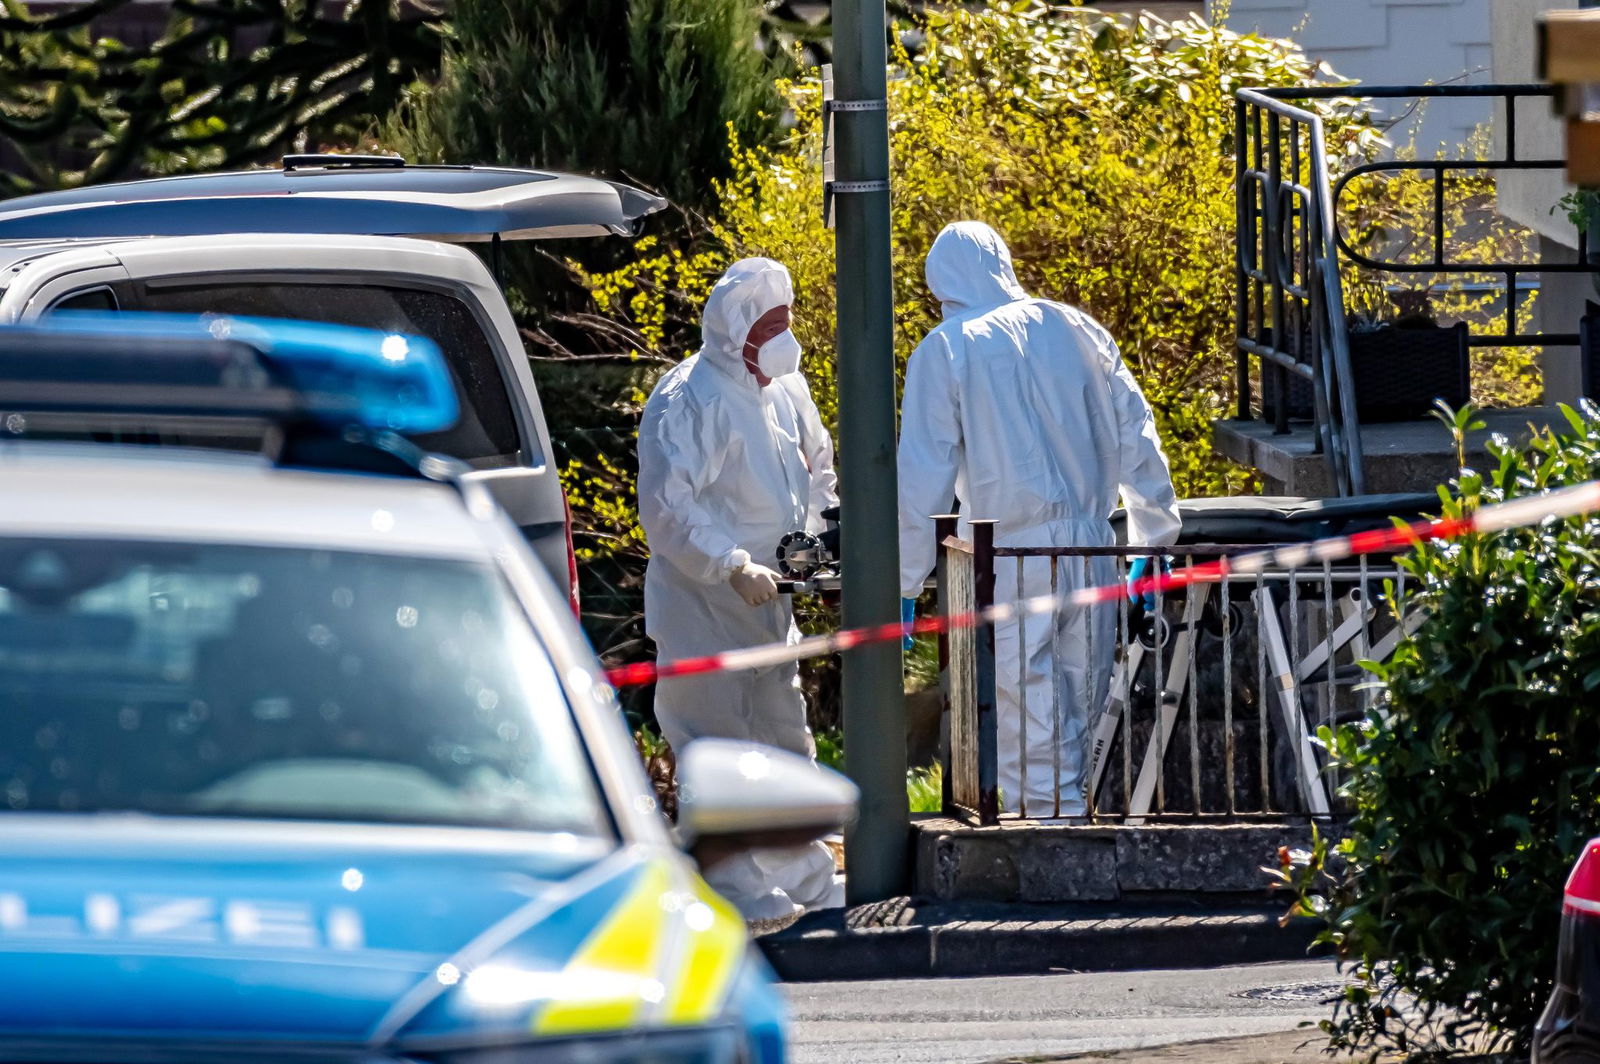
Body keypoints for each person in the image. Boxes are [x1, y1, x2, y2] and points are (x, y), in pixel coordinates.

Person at [897, 222, 1181, 816]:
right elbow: (1139, 441)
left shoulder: (948, 347)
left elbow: (921, 479)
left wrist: (902, 580)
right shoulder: (1076, 327)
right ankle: (1075, 833)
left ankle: (1046, 848)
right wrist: (1153, 545)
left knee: (1031, 709)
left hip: (1013, 555)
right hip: (1093, 546)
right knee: (1084, 698)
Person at [637, 257, 841, 920]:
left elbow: (817, 469)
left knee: (782, 738)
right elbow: (669, 504)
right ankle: (730, 887)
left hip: (769, 598)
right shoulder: (688, 397)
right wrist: (729, 564)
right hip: (701, 600)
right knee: (714, 744)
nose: (785, 333)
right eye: (770, 323)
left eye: (787, 318)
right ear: (737, 331)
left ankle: (808, 878)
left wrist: (808, 550)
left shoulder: (786, 388)